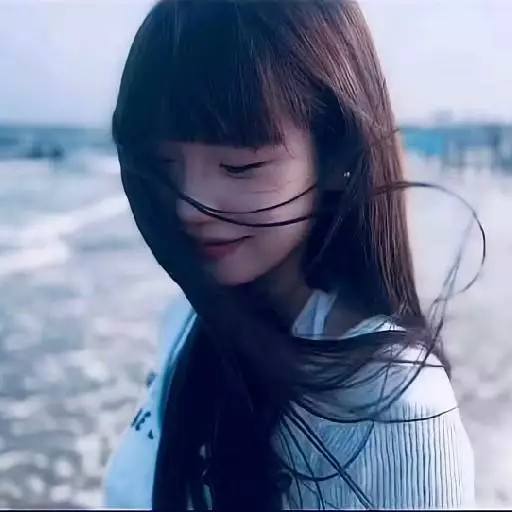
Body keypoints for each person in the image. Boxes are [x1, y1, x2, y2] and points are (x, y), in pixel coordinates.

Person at [104, 0, 476, 509]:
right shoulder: (188, 320)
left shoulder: (392, 403)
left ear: (336, 156)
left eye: (239, 166)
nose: (190, 206)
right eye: (163, 165)